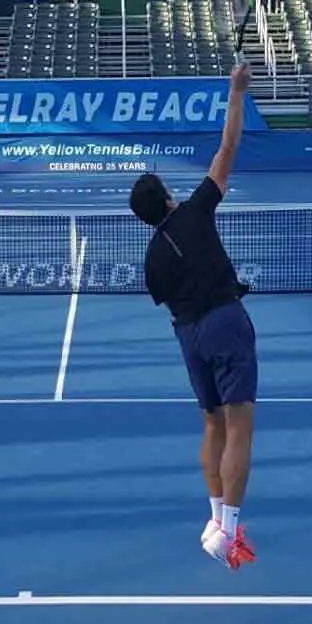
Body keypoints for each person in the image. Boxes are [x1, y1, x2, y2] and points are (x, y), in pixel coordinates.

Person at [130, 61, 258, 571]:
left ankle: (212, 516)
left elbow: (165, 298)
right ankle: (227, 530)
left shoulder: (152, 258)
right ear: (165, 198)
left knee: (212, 425)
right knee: (241, 425)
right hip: (226, 323)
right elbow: (226, 151)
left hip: (188, 337)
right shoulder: (196, 210)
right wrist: (236, 90)